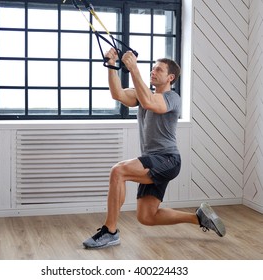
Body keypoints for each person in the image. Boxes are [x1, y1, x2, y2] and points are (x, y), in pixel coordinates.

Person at [83, 48, 226, 249]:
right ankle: (199, 218)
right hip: (154, 160)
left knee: (118, 171)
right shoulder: (144, 95)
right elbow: (118, 94)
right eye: (152, 68)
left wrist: (134, 69)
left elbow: (151, 103)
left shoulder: (172, 98)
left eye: (158, 69)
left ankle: (110, 231)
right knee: (147, 217)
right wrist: (112, 65)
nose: (153, 71)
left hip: (167, 160)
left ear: (170, 77)